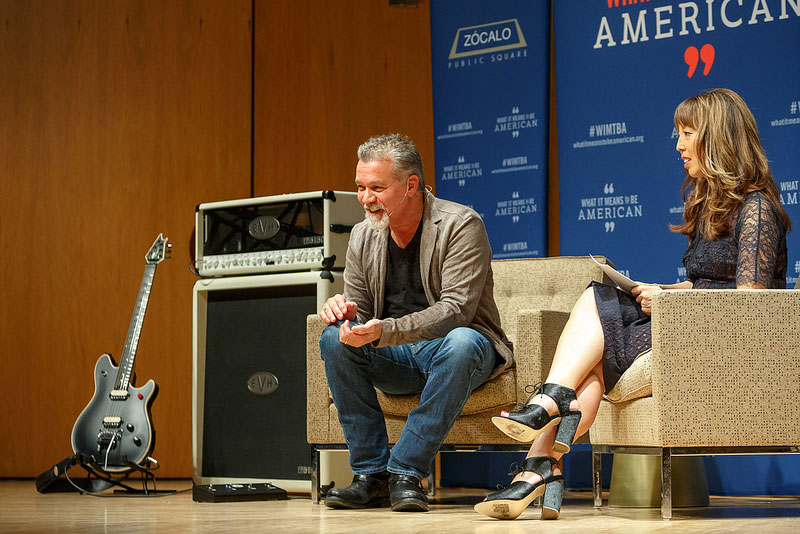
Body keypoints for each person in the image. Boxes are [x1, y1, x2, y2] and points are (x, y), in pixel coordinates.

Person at [475, 88, 791, 521]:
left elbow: (749, 305)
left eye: (687, 133)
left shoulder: (757, 209)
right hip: (691, 322)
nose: (678, 145)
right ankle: (539, 461)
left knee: (596, 305)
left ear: (717, 138)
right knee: (598, 316)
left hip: (724, 341)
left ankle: (539, 451)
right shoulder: (708, 205)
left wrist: (672, 301)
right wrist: (662, 289)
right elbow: (705, 282)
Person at [319, 134, 513, 512]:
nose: (364, 198)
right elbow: (359, 307)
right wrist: (344, 313)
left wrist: (384, 331)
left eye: (377, 187)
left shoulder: (460, 224)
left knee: (462, 341)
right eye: (360, 187)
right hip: (395, 354)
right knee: (332, 339)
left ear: (411, 185)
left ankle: (406, 472)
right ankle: (371, 476)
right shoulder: (362, 234)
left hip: (458, 351)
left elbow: (456, 310)